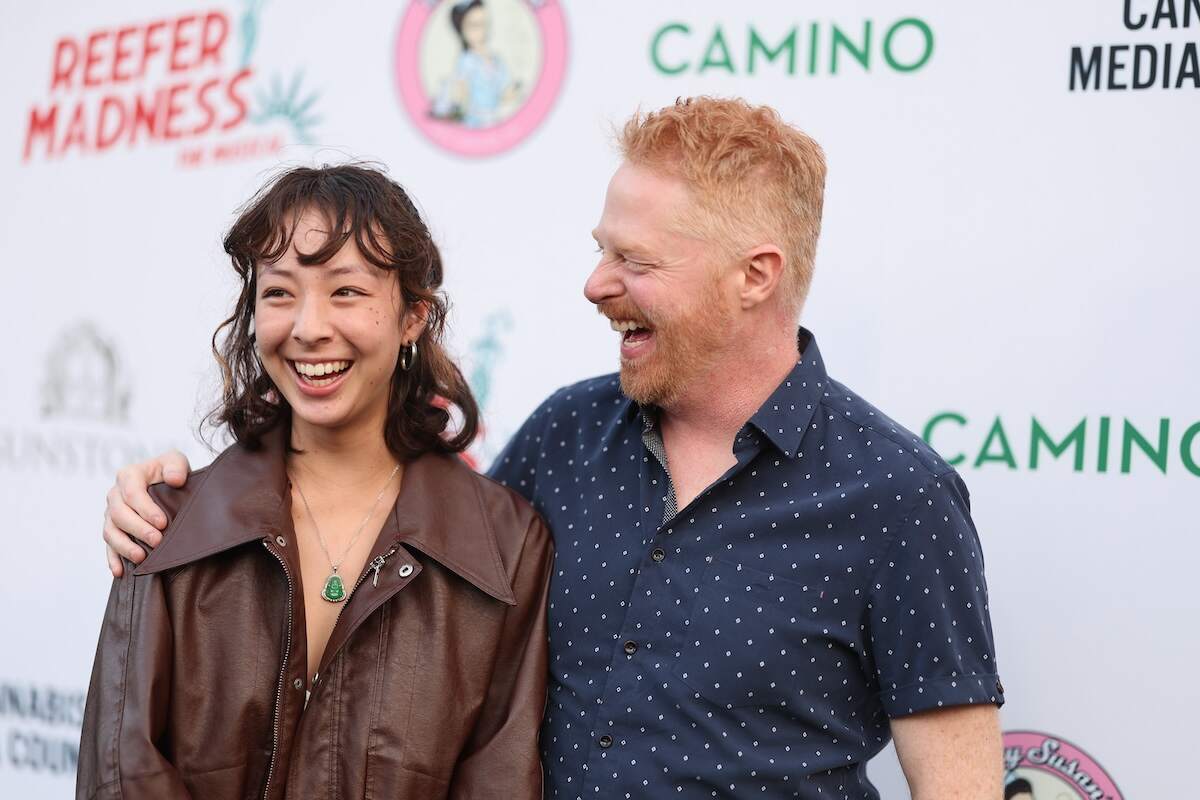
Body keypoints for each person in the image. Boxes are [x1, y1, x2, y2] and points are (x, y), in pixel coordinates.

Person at [101, 98, 1005, 798]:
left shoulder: (896, 496)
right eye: (601, 250)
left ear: (755, 277)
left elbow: (957, 786)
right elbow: (403, 569)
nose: (594, 284)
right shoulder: (565, 438)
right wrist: (183, 500)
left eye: (636, 263)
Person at [78, 165, 553, 799]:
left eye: (346, 291)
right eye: (279, 293)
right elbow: (120, 773)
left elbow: (500, 779)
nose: (307, 327)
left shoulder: (507, 544)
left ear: (414, 316)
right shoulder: (164, 523)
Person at [431, 0, 521, 128]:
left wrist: (509, 94)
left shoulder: (497, 60)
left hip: (496, 118)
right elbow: (461, 96)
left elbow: (504, 91)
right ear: (462, 29)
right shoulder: (466, 62)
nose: (481, 30)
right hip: (475, 122)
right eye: (474, 25)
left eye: (484, 23)